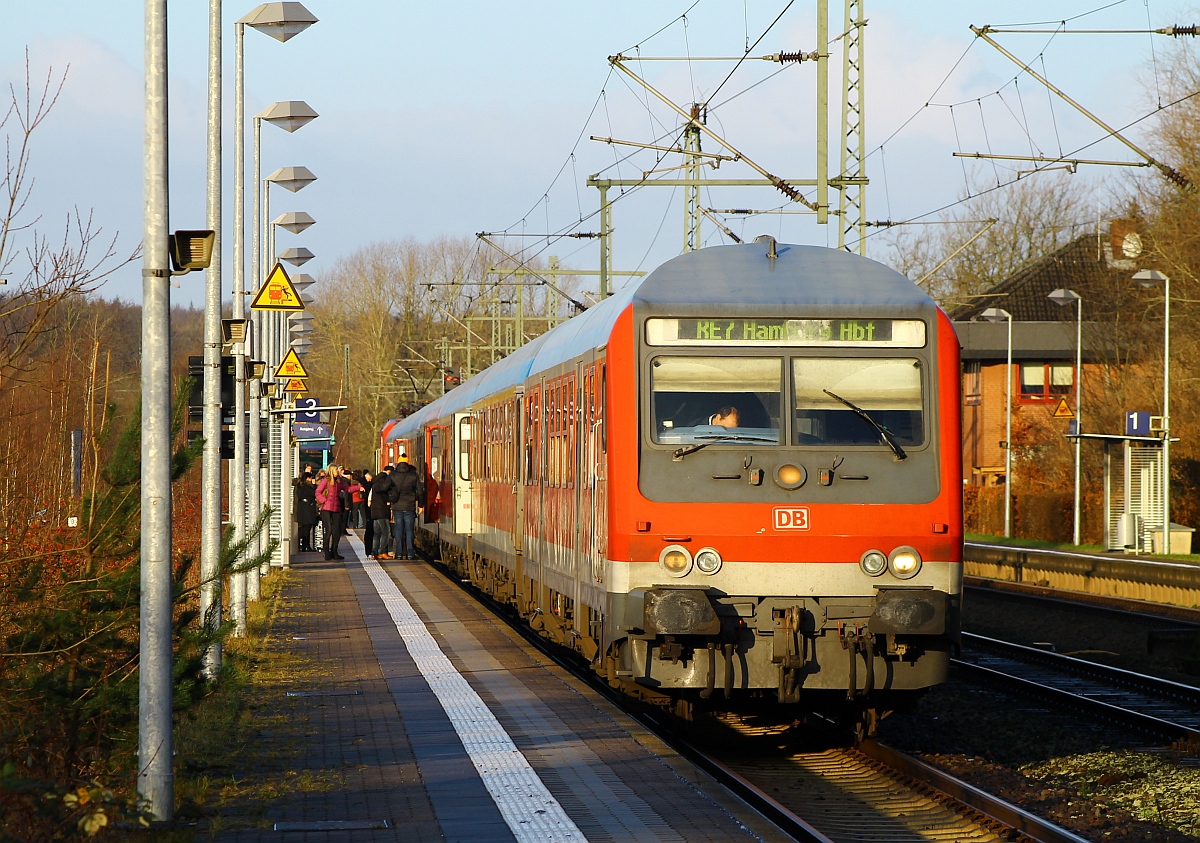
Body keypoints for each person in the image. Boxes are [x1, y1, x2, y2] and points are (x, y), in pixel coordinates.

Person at [390, 453, 425, 560]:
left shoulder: (393, 474)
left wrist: (389, 500)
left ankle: (399, 553)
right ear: (407, 462)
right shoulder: (413, 475)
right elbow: (420, 491)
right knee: (409, 531)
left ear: (398, 461)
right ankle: (410, 553)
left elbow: (386, 487)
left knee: (398, 530)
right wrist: (420, 505)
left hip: (397, 506)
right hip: (409, 506)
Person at [316, 464, 349, 561]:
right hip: (326, 508)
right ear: (331, 471)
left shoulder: (339, 481)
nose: (337, 472)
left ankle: (334, 550)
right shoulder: (326, 480)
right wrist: (323, 500)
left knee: (337, 531)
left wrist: (358, 487)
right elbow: (318, 492)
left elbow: (347, 489)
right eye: (335, 470)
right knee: (329, 530)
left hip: (336, 508)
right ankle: (326, 552)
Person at [369, 465, 396, 559]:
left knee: (377, 532)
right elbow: (384, 489)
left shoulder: (376, 479)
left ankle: (374, 553)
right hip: (381, 510)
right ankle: (382, 552)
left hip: (375, 510)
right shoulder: (384, 480)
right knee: (386, 531)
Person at [294, 473, 319, 552]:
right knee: (307, 527)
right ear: (307, 478)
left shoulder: (299, 486)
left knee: (305, 527)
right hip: (307, 507)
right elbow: (313, 493)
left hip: (302, 507)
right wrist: (315, 485)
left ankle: (305, 545)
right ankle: (305, 545)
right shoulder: (307, 487)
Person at [361, 470, 375, 551]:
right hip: (374, 510)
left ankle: (368, 550)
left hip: (370, 509)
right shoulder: (371, 485)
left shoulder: (370, 486)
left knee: (369, 528)